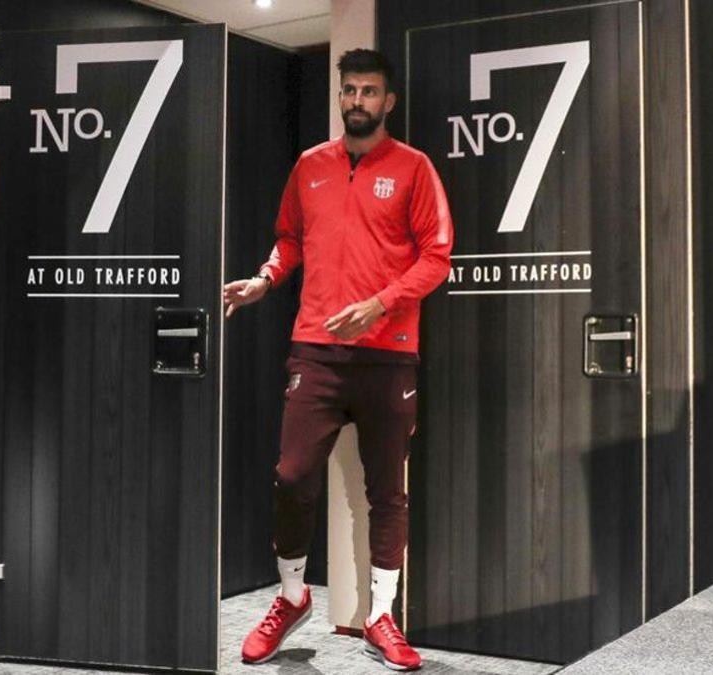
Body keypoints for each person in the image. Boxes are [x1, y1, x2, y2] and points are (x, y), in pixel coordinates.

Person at [222, 48, 453, 671]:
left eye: (369, 91)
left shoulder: (413, 168)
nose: (357, 101)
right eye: (349, 90)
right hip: (316, 350)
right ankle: (293, 596)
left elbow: (437, 256)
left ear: (388, 101)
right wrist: (266, 279)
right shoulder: (309, 166)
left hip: (388, 355)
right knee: (293, 476)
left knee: (388, 493)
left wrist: (381, 304)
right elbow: (289, 239)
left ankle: (381, 613)